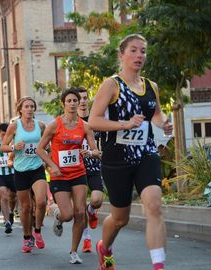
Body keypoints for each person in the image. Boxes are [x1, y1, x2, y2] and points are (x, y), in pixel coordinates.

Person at [88, 34, 172, 270]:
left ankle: (158, 265)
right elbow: (93, 121)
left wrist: (164, 122)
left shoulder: (151, 86)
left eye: (143, 51)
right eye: (133, 50)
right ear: (121, 55)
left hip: (145, 154)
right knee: (119, 218)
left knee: (154, 205)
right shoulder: (111, 85)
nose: (139, 55)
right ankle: (104, 247)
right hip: (116, 160)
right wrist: (123, 124)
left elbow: (155, 114)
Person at [37, 88, 100, 264]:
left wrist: (91, 152)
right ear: (63, 103)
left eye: (76, 100)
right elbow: (40, 149)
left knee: (80, 213)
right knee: (68, 215)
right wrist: (52, 165)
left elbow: (94, 149)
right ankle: (58, 215)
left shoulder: (85, 126)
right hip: (59, 175)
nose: (73, 103)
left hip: (79, 173)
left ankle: (73, 252)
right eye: (69, 101)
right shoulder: (54, 125)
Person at [1, 96, 47, 253]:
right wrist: (14, 147)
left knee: (41, 202)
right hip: (21, 170)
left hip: (37, 168)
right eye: (26, 106)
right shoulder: (14, 126)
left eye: (32, 106)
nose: (29, 109)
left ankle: (38, 231)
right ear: (20, 109)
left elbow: (48, 143)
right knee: (26, 207)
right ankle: (27, 238)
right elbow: (3, 147)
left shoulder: (40, 125)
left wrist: (49, 159)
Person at [75, 87, 104, 253]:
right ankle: (86, 239)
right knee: (79, 205)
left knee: (97, 200)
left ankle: (92, 211)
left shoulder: (94, 121)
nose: (83, 101)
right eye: (80, 98)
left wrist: (96, 153)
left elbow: (102, 145)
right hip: (77, 169)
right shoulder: (71, 122)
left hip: (94, 166)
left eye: (85, 98)